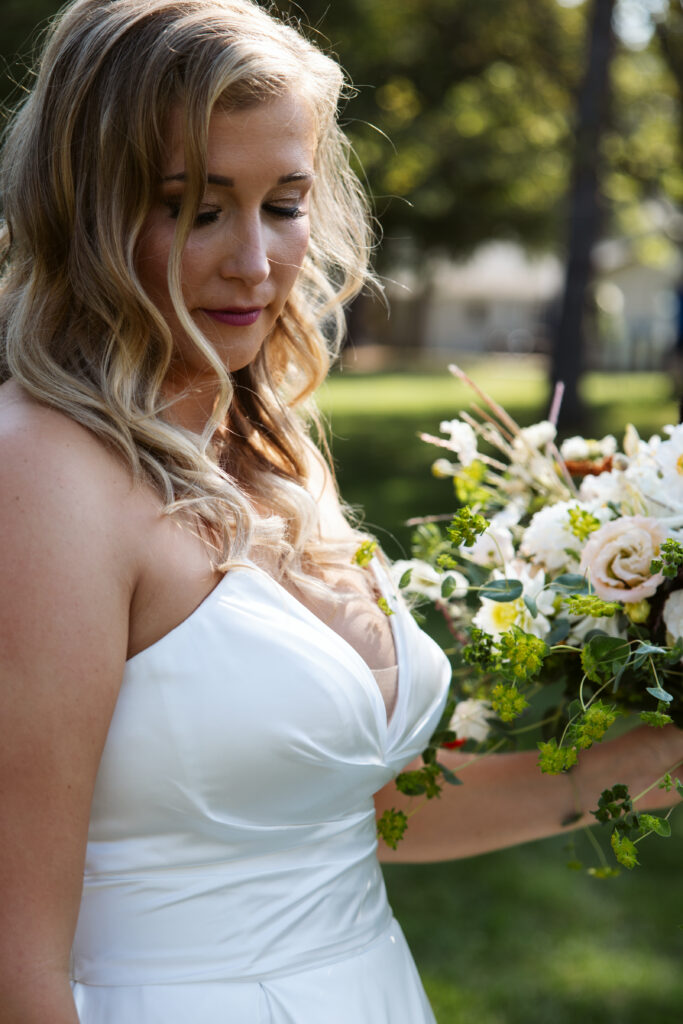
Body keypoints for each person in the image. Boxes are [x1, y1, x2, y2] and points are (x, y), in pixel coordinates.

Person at [0, 2, 681, 1022]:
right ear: (85, 207)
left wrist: (651, 761)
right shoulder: (43, 474)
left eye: (282, 203)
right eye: (192, 205)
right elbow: (15, 957)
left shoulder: (267, 444)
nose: (254, 262)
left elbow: (357, 808)